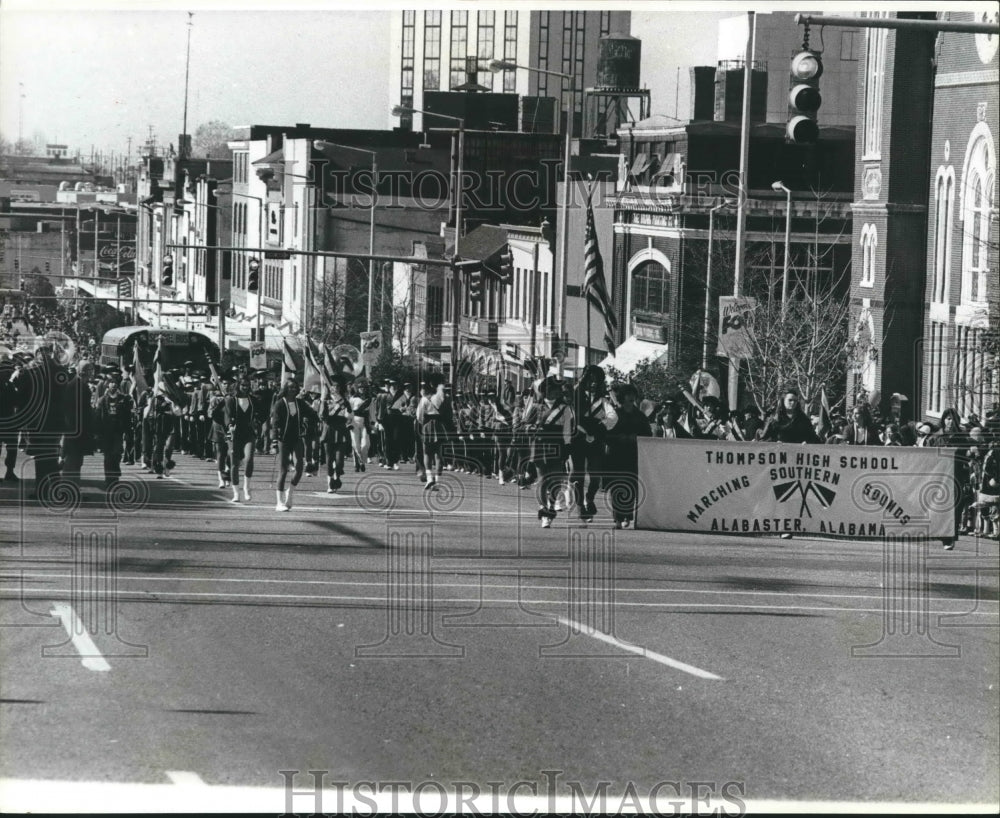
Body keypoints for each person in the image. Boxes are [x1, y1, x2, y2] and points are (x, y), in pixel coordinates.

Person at [571, 365, 616, 521]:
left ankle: (589, 498)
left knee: (596, 476)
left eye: (596, 380)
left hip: (595, 440)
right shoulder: (576, 395)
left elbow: (612, 417)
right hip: (578, 440)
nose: (593, 383)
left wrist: (598, 427)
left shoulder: (602, 401)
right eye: (590, 380)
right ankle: (579, 507)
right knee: (578, 475)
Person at [605, 382, 652, 529]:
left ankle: (627, 515)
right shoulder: (614, 414)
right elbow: (606, 434)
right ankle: (617, 518)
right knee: (617, 487)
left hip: (634, 454)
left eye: (633, 395)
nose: (631, 397)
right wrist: (621, 438)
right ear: (622, 397)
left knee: (631, 486)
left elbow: (648, 435)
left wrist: (635, 438)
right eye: (628, 395)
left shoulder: (640, 416)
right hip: (616, 455)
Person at [531, 376, 575, 529]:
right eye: (552, 389)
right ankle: (545, 512)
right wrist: (531, 428)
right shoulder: (536, 406)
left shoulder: (565, 408)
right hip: (540, 444)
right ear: (545, 390)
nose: (556, 392)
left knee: (555, 481)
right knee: (543, 479)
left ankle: (550, 505)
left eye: (557, 389)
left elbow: (567, 430)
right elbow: (523, 423)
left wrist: (567, 447)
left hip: (557, 444)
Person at [270, 377, 316, 511]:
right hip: (283, 440)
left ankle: (289, 492)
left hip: (297, 438)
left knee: (300, 467)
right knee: (283, 470)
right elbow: (275, 423)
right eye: (290, 387)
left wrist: (315, 417)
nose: (293, 389)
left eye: (295, 387)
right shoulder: (279, 403)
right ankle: (279, 503)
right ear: (285, 388)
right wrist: (274, 440)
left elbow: (313, 415)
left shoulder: (300, 403)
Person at [220, 378, 258, 503]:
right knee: (234, 464)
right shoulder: (231, 400)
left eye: (247, 385)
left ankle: (247, 487)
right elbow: (227, 415)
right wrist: (230, 425)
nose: (245, 387)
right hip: (234, 434)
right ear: (238, 386)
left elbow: (261, 413)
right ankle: (236, 493)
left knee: (249, 459)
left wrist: (256, 422)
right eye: (243, 385)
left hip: (248, 433)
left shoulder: (253, 400)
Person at [95, 372, 133, 487]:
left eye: (115, 383)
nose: (113, 385)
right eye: (111, 383)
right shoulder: (102, 400)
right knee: (107, 456)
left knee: (116, 453)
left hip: (118, 432)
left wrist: (128, 432)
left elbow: (127, 417)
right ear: (107, 385)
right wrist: (96, 433)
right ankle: (108, 479)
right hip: (106, 432)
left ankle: (115, 476)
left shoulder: (124, 399)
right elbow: (97, 417)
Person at [417, 374, 452, 490]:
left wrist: (424, 424)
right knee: (438, 455)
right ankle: (437, 482)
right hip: (441, 426)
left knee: (427, 452)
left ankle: (429, 478)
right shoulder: (445, 398)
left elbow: (419, 416)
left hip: (428, 425)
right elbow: (449, 415)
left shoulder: (425, 398)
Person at [318, 375, 352, 493]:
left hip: (341, 431)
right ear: (329, 387)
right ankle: (330, 483)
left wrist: (347, 416)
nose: (335, 388)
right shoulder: (325, 400)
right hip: (329, 430)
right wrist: (323, 402)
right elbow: (322, 417)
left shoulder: (345, 400)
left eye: (337, 386)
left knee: (339, 461)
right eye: (333, 386)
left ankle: (337, 475)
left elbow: (350, 415)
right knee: (329, 459)